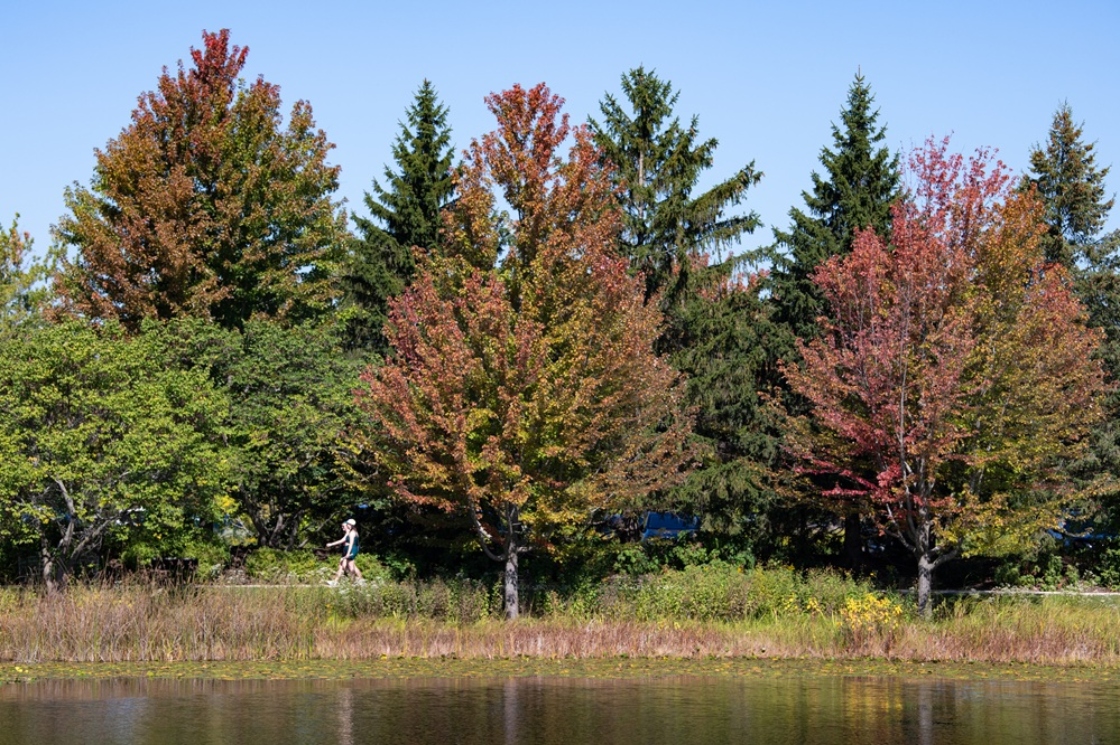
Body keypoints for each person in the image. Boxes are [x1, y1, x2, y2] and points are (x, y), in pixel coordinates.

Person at [327, 518, 363, 584]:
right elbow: (342, 540)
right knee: (343, 565)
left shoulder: (353, 533)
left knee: (350, 566)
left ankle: (354, 581)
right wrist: (331, 544)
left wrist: (348, 553)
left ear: (352, 525)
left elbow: (351, 544)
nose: (347, 526)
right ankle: (336, 581)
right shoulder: (348, 532)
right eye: (348, 524)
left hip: (351, 550)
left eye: (349, 525)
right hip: (347, 549)